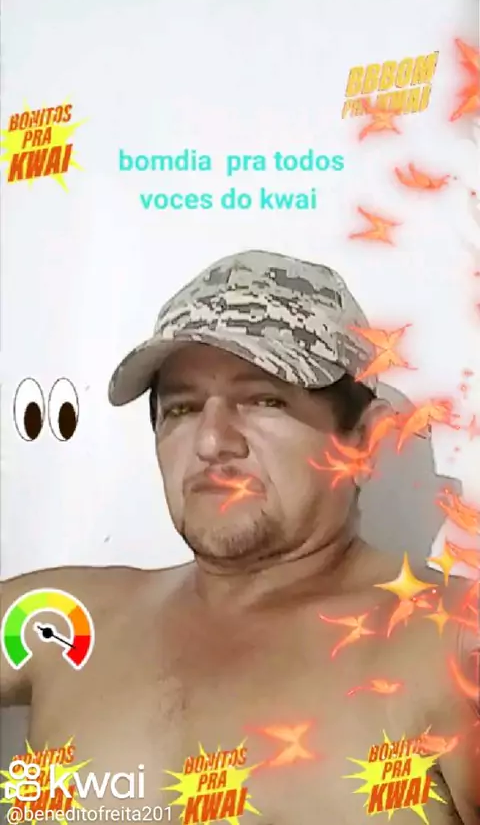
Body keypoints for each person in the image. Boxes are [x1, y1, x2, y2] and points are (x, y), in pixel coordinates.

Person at [1, 250, 478, 824]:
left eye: (264, 400)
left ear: (365, 443)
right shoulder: (61, 621)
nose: (211, 442)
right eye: (182, 408)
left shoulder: (450, 645)